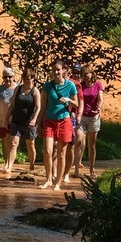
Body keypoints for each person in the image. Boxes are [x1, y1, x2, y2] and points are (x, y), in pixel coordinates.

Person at [37, 59, 78, 191]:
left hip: (64, 121)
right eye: (54, 70)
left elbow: (77, 103)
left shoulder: (70, 85)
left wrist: (69, 100)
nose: (56, 72)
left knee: (61, 154)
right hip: (49, 120)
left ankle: (58, 183)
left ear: (63, 70)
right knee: (48, 151)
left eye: (58, 70)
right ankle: (48, 179)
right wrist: (38, 123)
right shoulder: (47, 86)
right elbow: (42, 106)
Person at [5, 66, 41, 176]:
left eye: (29, 78)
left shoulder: (35, 91)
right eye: (25, 78)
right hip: (16, 120)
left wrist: (34, 119)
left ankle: (31, 166)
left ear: (33, 79)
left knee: (30, 144)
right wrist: (7, 118)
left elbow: (38, 107)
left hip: (29, 122)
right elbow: (12, 104)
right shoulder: (18, 89)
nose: (26, 80)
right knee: (13, 143)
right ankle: (9, 167)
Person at [74, 63, 105, 177]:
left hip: (93, 117)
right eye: (83, 74)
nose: (85, 76)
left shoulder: (98, 85)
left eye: (87, 74)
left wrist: (98, 108)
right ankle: (76, 168)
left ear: (92, 74)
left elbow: (101, 99)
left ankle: (92, 169)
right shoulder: (80, 85)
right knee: (79, 140)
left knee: (91, 145)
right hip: (82, 116)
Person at [0, 66, 17, 175]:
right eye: (5, 77)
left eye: (10, 77)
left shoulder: (18, 88)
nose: (8, 79)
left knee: (12, 142)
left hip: (13, 120)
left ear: (13, 77)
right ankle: (6, 162)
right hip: (1, 120)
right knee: (4, 142)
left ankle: (9, 165)